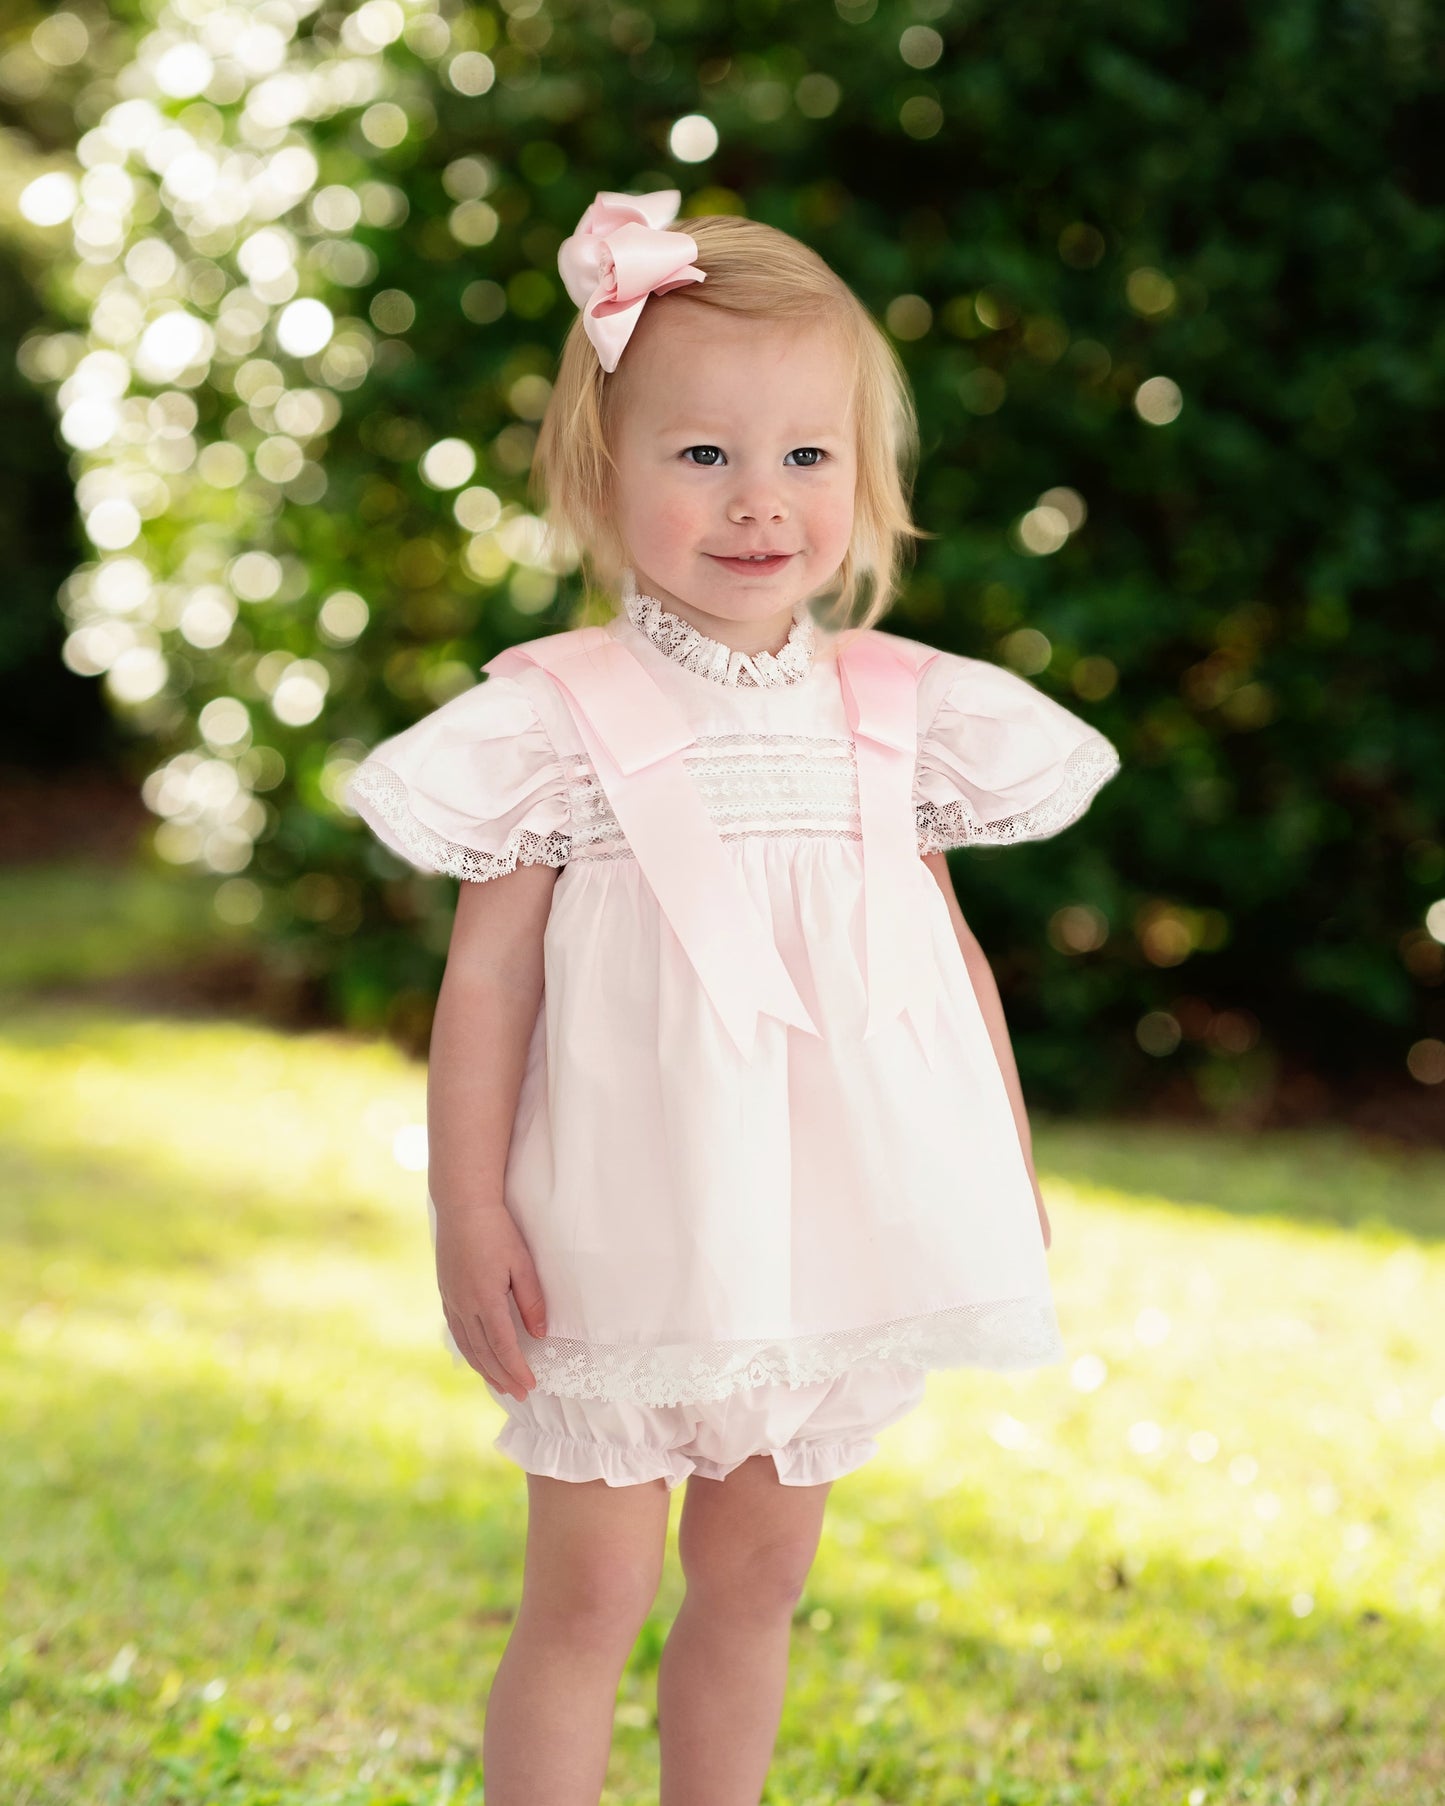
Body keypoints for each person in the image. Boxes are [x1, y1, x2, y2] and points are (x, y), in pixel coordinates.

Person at [347, 188, 1121, 1806]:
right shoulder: (557, 717)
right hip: (624, 1231)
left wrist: (1004, 1167)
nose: (759, 501)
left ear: (866, 481)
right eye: (702, 454)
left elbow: (949, 956)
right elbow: (488, 977)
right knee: (590, 1592)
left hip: (820, 1230)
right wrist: (463, 1203)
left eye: (805, 457)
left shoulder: (900, 710)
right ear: (600, 474)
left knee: (759, 1575)